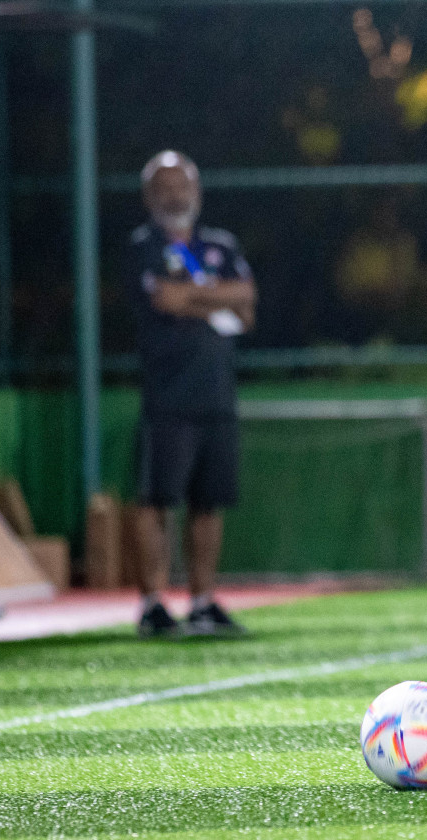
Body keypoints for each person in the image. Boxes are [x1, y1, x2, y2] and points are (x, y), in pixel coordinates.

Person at [128, 150, 256, 638]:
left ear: (196, 191)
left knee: (209, 501)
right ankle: (153, 604)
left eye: (181, 186)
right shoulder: (143, 245)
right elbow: (163, 297)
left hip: (217, 393)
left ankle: (202, 601)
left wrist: (194, 298)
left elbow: (247, 306)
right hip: (167, 394)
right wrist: (218, 296)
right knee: (156, 499)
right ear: (150, 197)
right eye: (164, 188)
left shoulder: (220, 244)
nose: (174, 196)